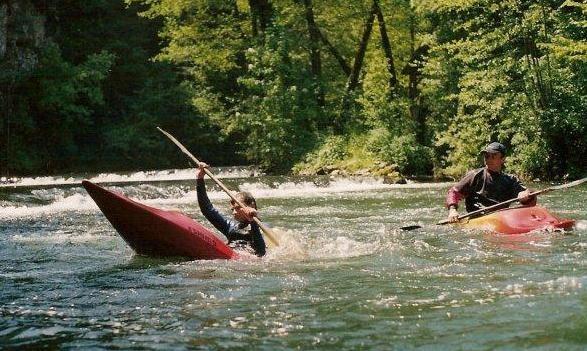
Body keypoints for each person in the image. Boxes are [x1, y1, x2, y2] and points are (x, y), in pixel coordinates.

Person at [446, 142, 536, 223]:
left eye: (493, 156)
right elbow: (453, 192)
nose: (488, 159)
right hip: (478, 219)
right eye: (486, 156)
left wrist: (525, 195)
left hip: (502, 219)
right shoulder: (475, 175)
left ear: (503, 159)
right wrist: (452, 210)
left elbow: (530, 200)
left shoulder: (511, 180)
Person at [196, 163, 266, 256]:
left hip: (249, 261)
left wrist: (253, 221)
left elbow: (261, 252)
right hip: (232, 257)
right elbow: (207, 210)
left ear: (251, 206)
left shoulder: (263, 228)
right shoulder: (230, 227)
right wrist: (200, 179)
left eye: (237, 208)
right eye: (232, 209)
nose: (234, 212)